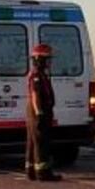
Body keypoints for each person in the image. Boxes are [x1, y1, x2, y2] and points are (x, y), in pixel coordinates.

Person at [25, 44, 62, 181]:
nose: (49, 62)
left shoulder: (38, 74)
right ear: (39, 59)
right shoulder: (36, 76)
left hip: (34, 112)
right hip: (38, 112)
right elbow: (35, 94)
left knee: (32, 142)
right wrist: (39, 113)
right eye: (47, 59)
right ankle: (43, 173)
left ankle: (31, 170)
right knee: (41, 143)